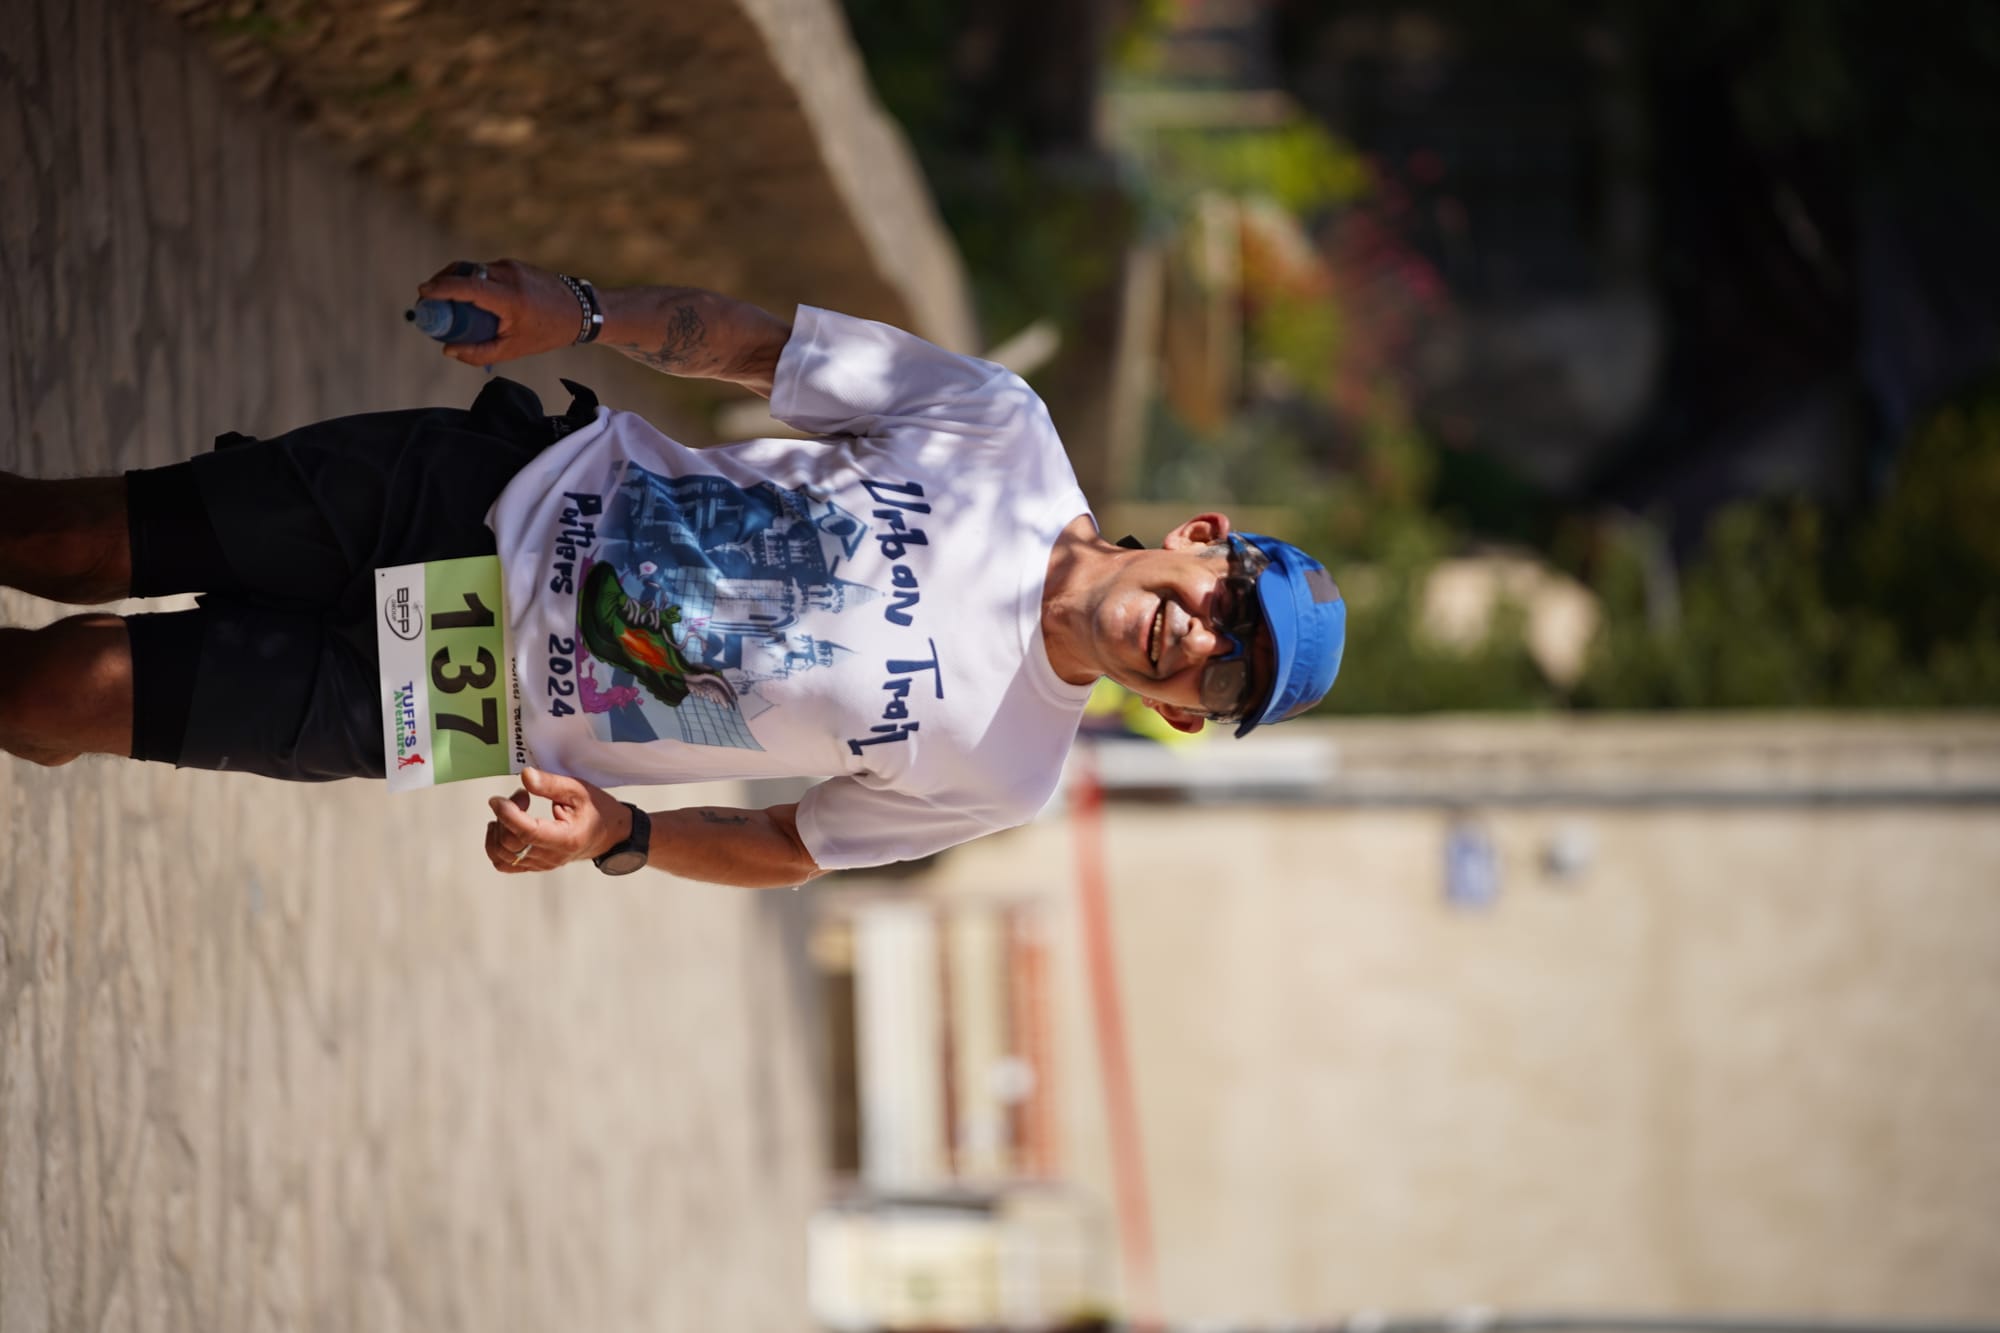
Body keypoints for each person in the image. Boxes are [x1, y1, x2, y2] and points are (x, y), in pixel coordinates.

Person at [0, 259, 1346, 886]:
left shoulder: (1008, 771)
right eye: (1231, 600)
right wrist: (573, 310)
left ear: (1182, 712)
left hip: (470, 695)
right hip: (490, 494)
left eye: (1224, 669)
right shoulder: (1002, 430)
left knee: (65, 689)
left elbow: (788, 842)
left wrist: (622, 835)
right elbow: (752, 346)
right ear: (1206, 536)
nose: (1198, 633)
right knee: (55, 542)